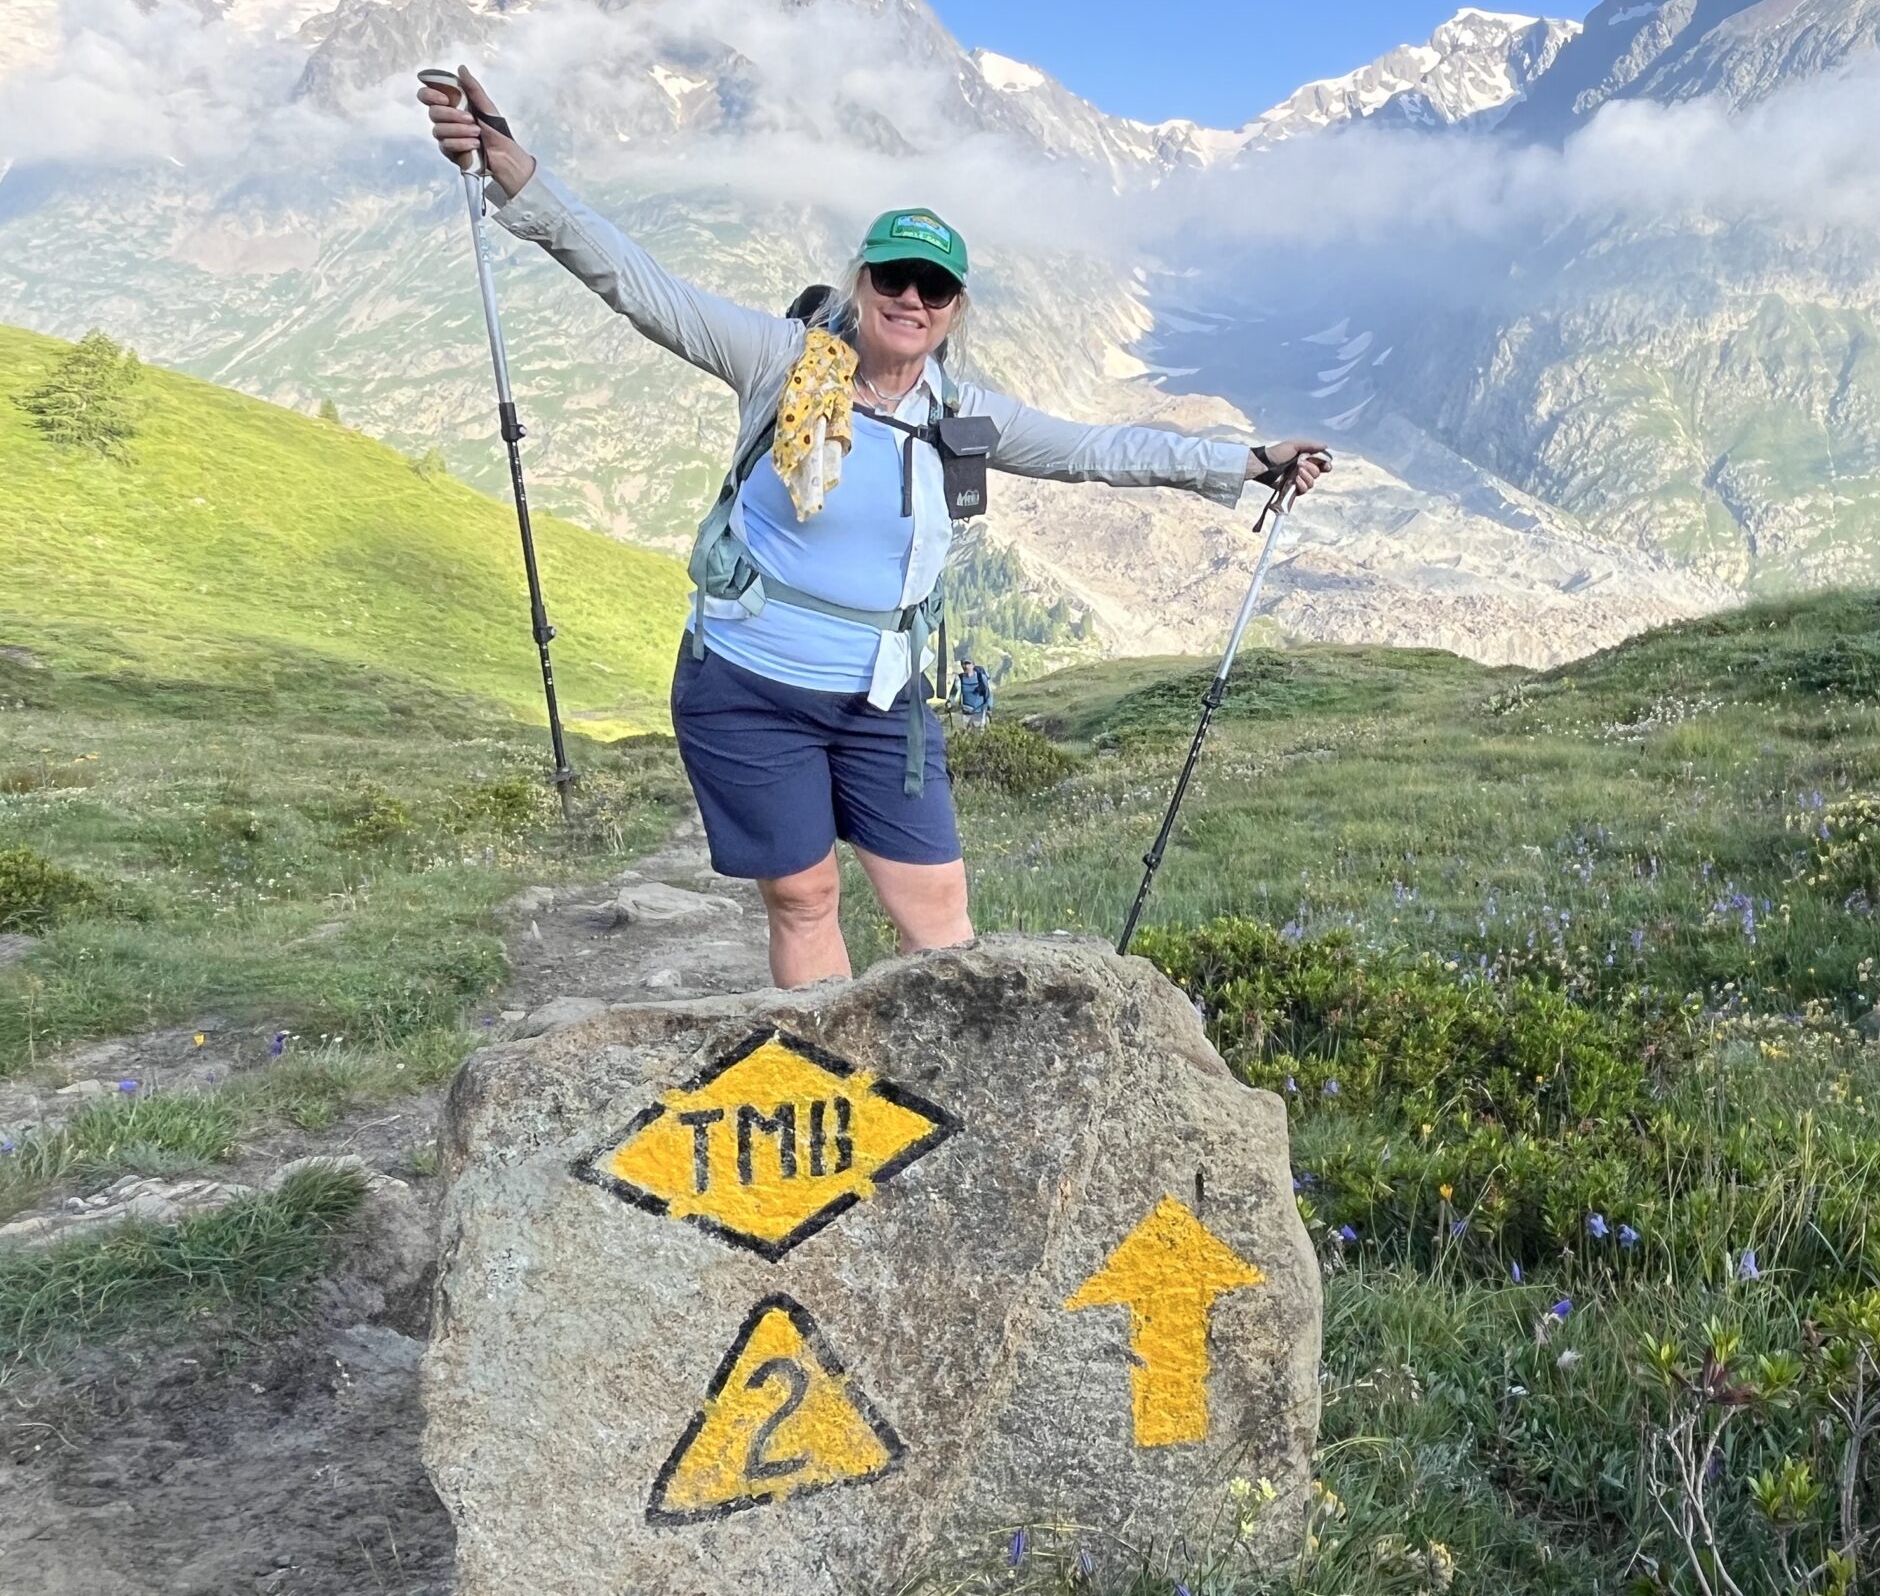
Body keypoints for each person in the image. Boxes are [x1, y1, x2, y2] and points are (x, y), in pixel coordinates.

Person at [419, 67, 1329, 986]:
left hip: (884, 699)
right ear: (862, 283)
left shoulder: (963, 414)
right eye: (894, 277)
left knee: (939, 918)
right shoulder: (781, 363)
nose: (911, 300)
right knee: (804, 897)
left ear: (955, 309)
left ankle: (939, 1068)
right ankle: (833, 1070)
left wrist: (1248, 462)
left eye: (934, 288)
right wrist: (519, 177)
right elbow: (643, 287)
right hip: (749, 683)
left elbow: (1098, 448)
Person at [955, 657, 994, 731]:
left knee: (979, 733)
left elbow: (989, 693)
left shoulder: (981, 677)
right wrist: (950, 702)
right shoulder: (959, 678)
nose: (966, 666)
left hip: (979, 712)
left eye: (968, 664)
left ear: (973, 665)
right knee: (966, 734)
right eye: (964, 664)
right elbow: (953, 693)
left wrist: (989, 707)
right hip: (965, 712)